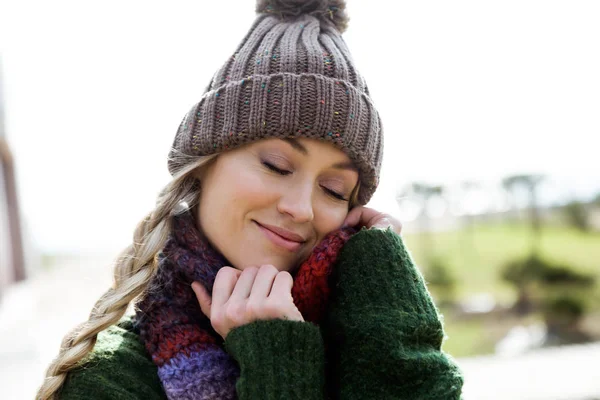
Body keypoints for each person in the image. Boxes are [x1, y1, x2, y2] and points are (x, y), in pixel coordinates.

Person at [37, 1, 464, 399]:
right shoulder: (110, 381)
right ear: (203, 163)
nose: (301, 208)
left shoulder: (367, 342)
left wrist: (379, 271)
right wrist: (277, 360)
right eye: (277, 165)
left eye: (335, 191)